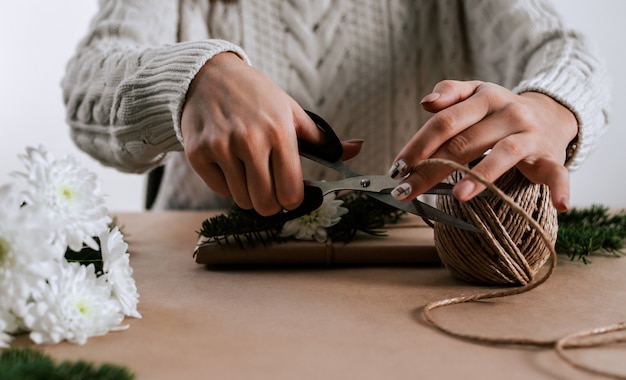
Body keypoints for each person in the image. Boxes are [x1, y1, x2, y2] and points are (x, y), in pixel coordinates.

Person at [62, 0, 610, 215]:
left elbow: (562, 49)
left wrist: (553, 107)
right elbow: (86, 82)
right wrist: (191, 78)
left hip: (410, 286)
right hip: (214, 284)